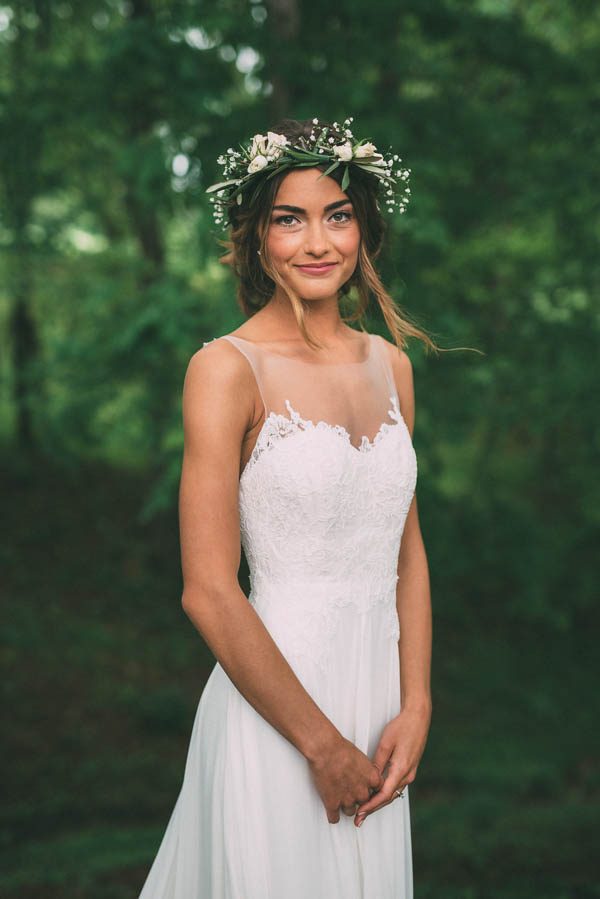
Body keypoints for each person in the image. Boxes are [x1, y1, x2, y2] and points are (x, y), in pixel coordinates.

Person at [138, 117, 434, 899]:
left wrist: (417, 700)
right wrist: (321, 744)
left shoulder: (392, 367)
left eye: (336, 214)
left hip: (375, 708)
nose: (317, 241)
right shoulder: (226, 369)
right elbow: (206, 587)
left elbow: (404, 550)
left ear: (364, 227)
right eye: (288, 218)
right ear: (255, 235)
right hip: (276, 712)